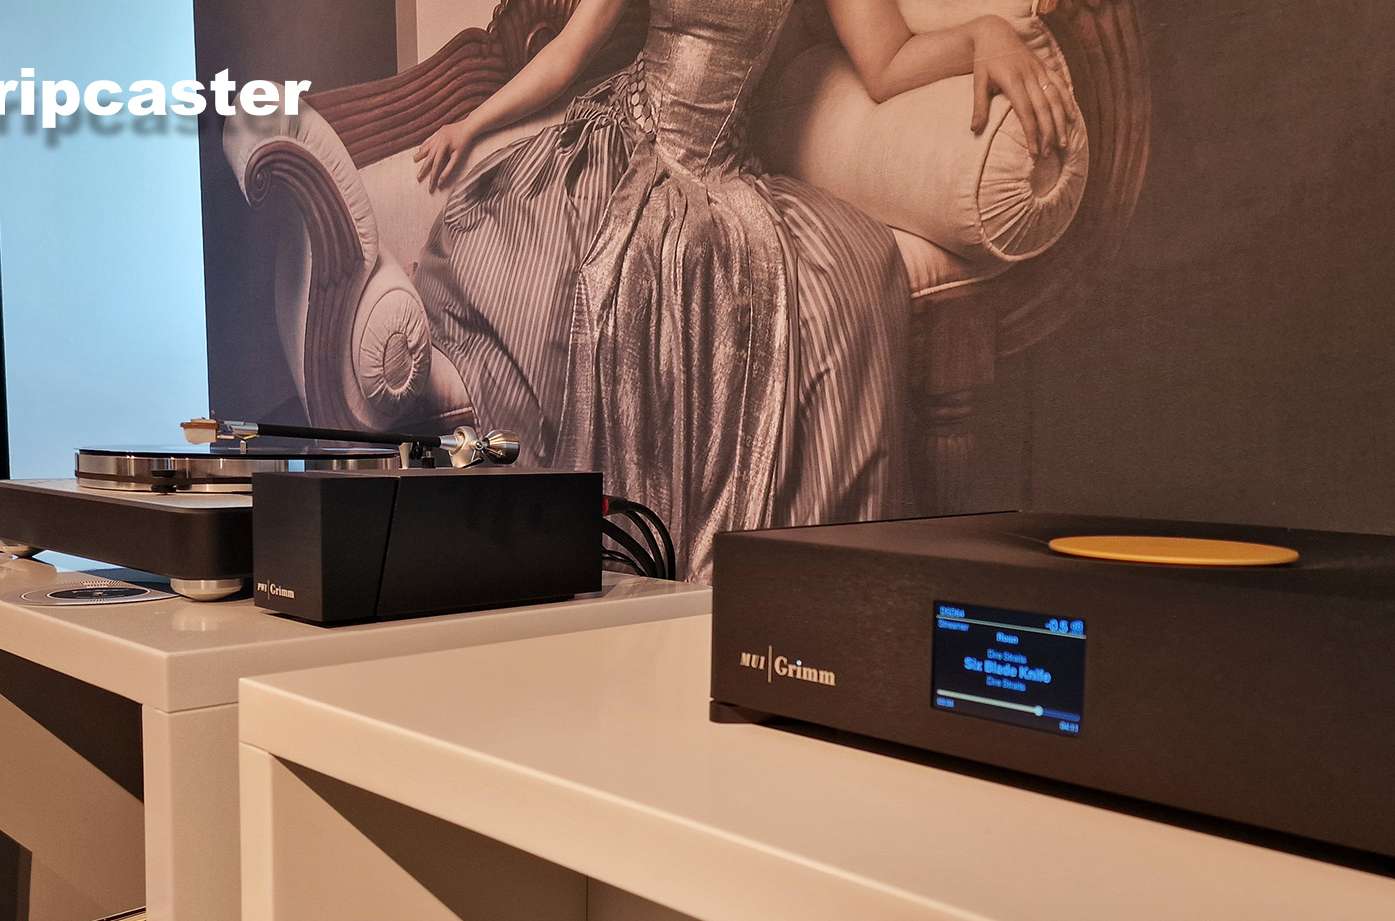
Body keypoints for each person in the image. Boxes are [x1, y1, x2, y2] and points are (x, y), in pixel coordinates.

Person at [411, 0, 1070, 580]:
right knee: (546, 273)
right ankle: (513, 523)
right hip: (620, 142)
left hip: (715, 173)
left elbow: (887, 59)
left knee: (845, 270)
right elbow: (569, 52)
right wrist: (469, 126)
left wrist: (984, 33)